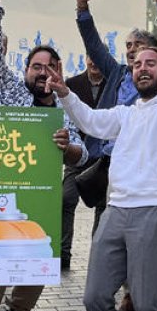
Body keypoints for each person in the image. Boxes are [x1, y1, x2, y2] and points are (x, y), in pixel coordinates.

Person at [47, 24, 157, 311]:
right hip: (116, 210)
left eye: (150, 63)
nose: (142, 69)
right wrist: (64, 93)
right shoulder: (126, 113)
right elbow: (91, 120)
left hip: (155, 209)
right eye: (136, 65)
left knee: (148, 306)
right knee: (94, 300)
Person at [0, 0, 89, 311]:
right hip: (0, 190)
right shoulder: (8, 89)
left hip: (40, 195)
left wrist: (68, 149)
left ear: (59, 71)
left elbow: (81, 154)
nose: (43, 72)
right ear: (25, 70)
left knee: (38, 260)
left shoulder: (67, 107)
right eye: (36, 66)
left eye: (50, 67)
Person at [61, 56, 103, 271]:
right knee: (66, 198)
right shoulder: (73, 84)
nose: (93, 62)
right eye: (90, 57)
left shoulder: (113, 82)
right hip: (78, 152)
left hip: (103, 156)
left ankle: (98, 257)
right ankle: (63, 253)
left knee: (102, 207)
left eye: (96, 58)